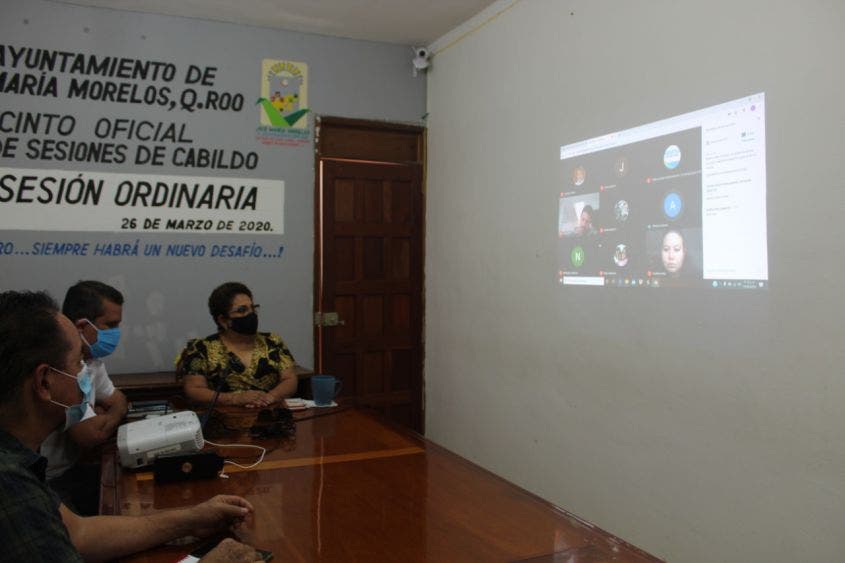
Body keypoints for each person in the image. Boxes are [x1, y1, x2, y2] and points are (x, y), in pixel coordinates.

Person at [0, 290, 257, 561]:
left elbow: (80, 532)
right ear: (44, 383)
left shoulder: (19, 461)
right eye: (78, 364)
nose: (85, 375)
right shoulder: (10, 485)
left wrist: (192, 519)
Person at [40, 281, 129, 515]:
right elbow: (89, 435)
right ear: (82, 325)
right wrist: (104, 416)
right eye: (110, 325)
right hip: (43, 481)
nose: (116, 333)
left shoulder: (91, 361)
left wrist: (109, 414)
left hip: (70, 470)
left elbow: (118, 400)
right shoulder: (60, 367)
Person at [177, 282, 297, 408]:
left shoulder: (273, 341)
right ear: (223, 320)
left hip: (269, 415)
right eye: (242, 310)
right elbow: (194, 389)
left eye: (253, 308)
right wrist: (234, 399)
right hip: (224, 420)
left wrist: (269, 398)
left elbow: (289, 379)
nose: (251, 314)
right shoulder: (201, 348)